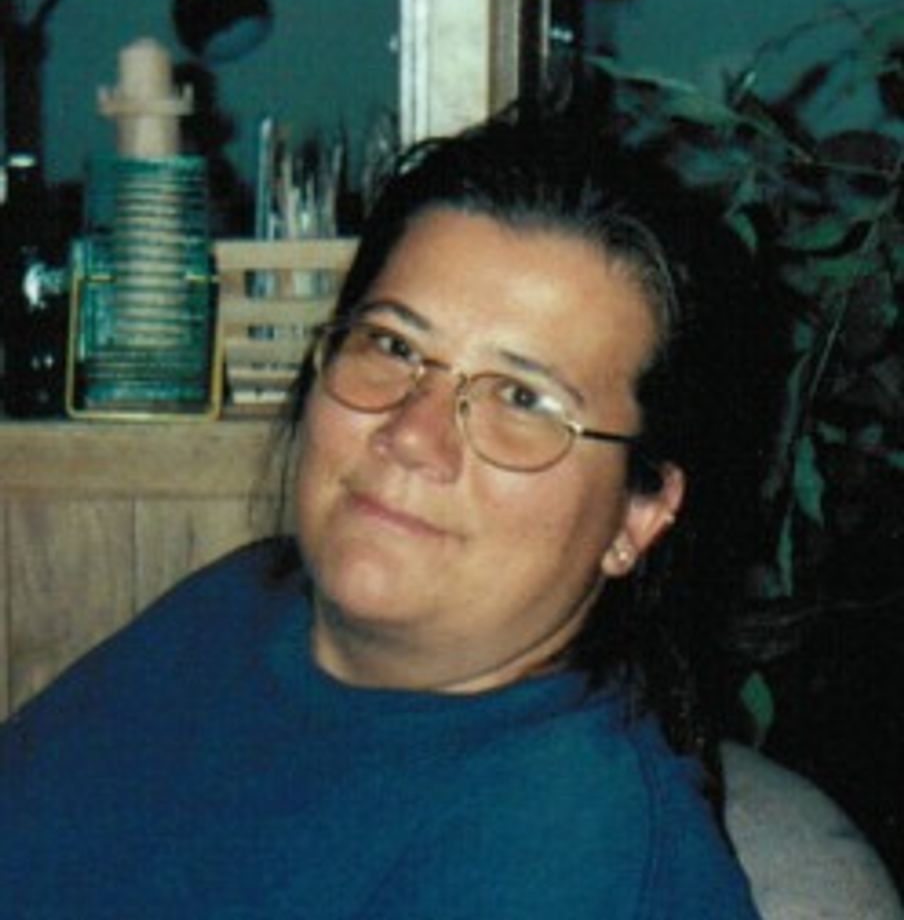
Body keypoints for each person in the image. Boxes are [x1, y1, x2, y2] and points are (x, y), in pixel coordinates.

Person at [0, 109, 762, 918]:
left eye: (520, 398)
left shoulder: (574, 854)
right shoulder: (237, 609)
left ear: (638, 513)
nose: (411, 435)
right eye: (394, 346)